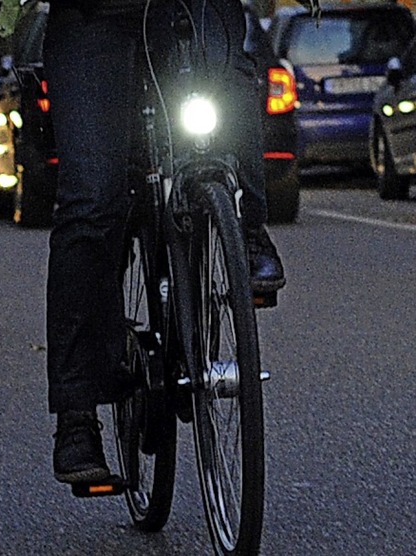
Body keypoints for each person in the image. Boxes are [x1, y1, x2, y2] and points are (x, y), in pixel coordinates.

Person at [41, 0, 317, 485]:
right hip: (96, 17)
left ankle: (246, 234)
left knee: (223, 98)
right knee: (92, 202)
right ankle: (78, 414)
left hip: (195, 5)